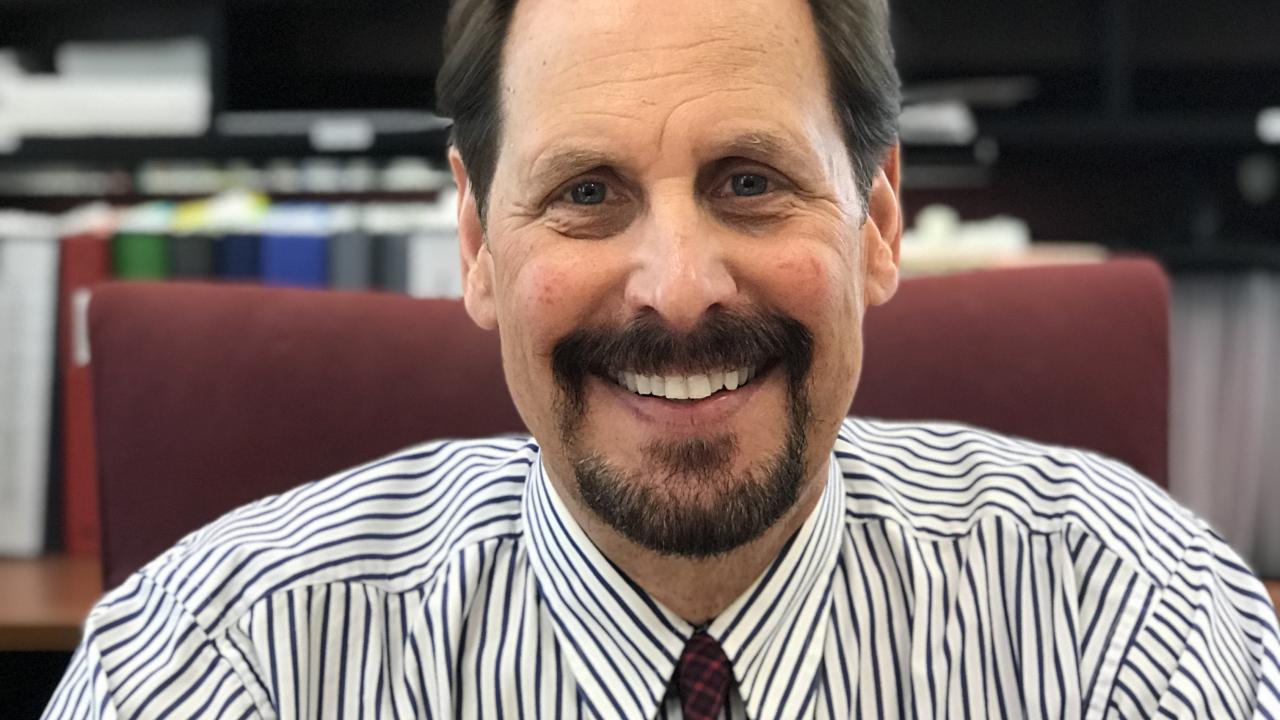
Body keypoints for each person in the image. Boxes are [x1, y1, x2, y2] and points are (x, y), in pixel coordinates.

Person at [45, 0, 1280, 717]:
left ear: (880, 221)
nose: (679, 289)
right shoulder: (220, 663)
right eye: (586, 192)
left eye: (750, 183)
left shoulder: (1125, 617)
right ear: (475, 242)